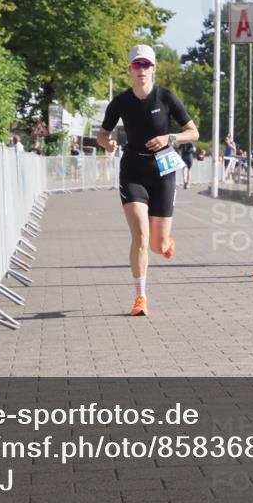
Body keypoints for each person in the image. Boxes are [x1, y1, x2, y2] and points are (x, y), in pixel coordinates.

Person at [97, 45, 199, 316]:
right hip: (133, 169)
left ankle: (167, 244)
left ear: (153, 67)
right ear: (130, 69)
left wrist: (170, 138)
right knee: (140, 236)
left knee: (158, 245)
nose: (141, 69)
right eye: (136, 65)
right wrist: (107, 145)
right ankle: (140, 297)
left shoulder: (166, 97)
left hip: (163, 170)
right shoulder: (120, 101)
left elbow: (194, 133)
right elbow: (102, 134)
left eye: (145, 64)